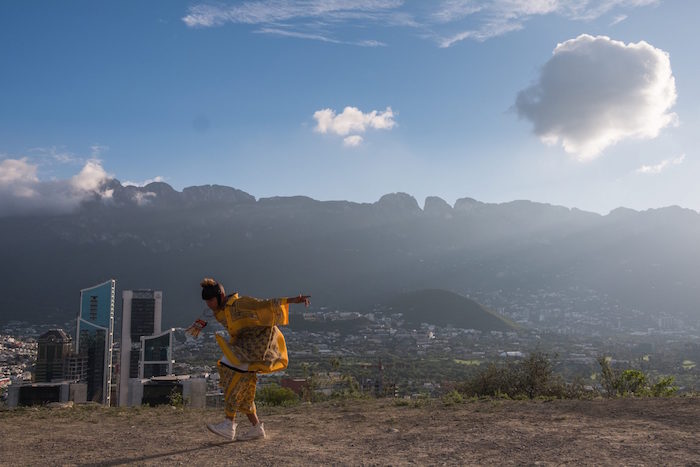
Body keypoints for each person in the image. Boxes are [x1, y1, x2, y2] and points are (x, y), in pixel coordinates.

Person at [186, 278, 310, 442]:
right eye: (207, 301)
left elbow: (264, 304)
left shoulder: (241, 303)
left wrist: (292, 300)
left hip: (258, 345)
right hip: (243, 346)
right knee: (245, 387)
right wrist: (198, 325)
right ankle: (256, 428)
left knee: (229, 369)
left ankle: (229, 423)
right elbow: (206, 316)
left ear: (220, 296)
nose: (209, 304)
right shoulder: (218, 311)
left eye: (211, 300)